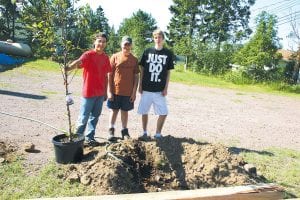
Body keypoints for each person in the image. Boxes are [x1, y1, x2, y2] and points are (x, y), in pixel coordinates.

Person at [65, 32, 111, 146]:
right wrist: (68, 67)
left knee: (95, 117)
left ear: (106, 44)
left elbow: (106, 76)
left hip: (100, 94)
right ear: (95, 42)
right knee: (83, 117)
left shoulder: (105, 58)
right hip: (88, 92)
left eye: (104, 42)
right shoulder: (88, 55)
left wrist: (105, 92)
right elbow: (79, 62)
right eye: (99, 41)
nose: (101, 43)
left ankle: (90, 138)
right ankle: (77, 139)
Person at [138, 29, 174, 139]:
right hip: (147, 88)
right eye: (155, 37)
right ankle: (144, 132)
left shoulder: (168, 53)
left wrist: (166, 88)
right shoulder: (147, 51)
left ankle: (158, 133)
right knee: (144, 111)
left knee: (163, 112)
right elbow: (142, 69)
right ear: (153, 39)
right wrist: (140, 84)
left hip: (159, 90)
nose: (157, 39)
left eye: (160, 37)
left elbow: (168, 72)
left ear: (163, 39)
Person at [107, 36, 139, 141]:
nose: (127, 46)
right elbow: (109, 75)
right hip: (115, 90)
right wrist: (109, 91)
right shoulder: (115, 57)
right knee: (114, 111)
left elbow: (136, 76)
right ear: (121, 44)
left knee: (125, 112)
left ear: (131, 46)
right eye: (125, 44)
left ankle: (124, 131)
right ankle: (111, 130)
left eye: (129, 44)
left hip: (128, 92)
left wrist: (134, 92)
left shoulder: (134, 59)